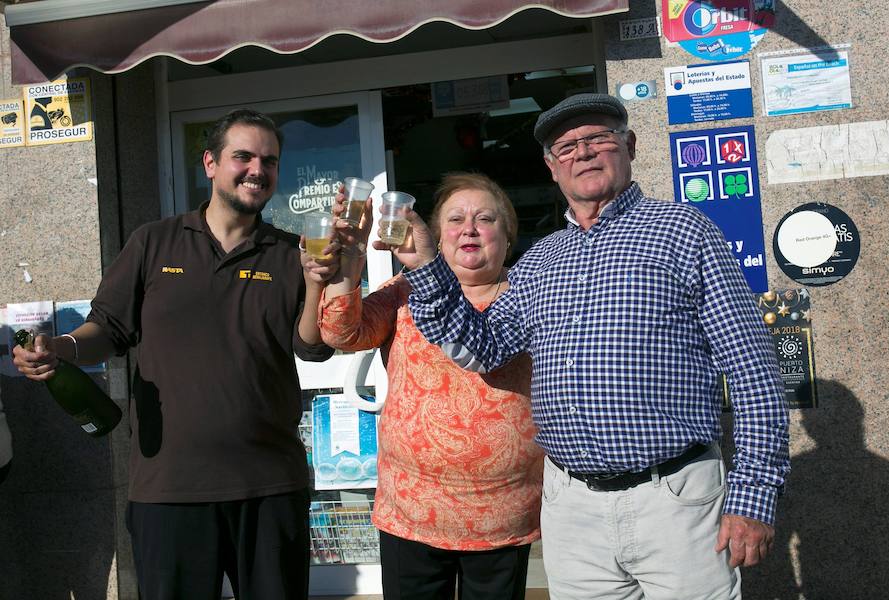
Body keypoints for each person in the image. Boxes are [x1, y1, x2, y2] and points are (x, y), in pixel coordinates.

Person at [389, 94, 790, 599]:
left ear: (629, 145)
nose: (582, 152)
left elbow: (754, 372)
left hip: (673, 498)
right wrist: (426, 266)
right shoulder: (541, 259)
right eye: (566, 146)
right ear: (551, 167)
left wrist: (752, 497)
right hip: (572, 507)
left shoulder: (686, 233)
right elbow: (483, 351)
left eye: (597, 138)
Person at [12, 109, 337, 600]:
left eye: (269, 161)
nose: (257, 169)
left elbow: (312, 347)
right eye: (243, 156)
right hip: (170, 489)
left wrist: (317, 283)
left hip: (270, 485)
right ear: (209, 163)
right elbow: (109, 328)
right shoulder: (153, 242)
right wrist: (61, 348)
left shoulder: (291, 253)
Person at [319, 172, 543, 599]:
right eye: (455, 219)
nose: (470, 228)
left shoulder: (529, 294)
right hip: (412, 513)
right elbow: (339, 333)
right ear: (437, 239)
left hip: (502, 516)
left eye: (485, 218)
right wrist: (350, 259)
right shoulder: (403, 292)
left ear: (507, 237)